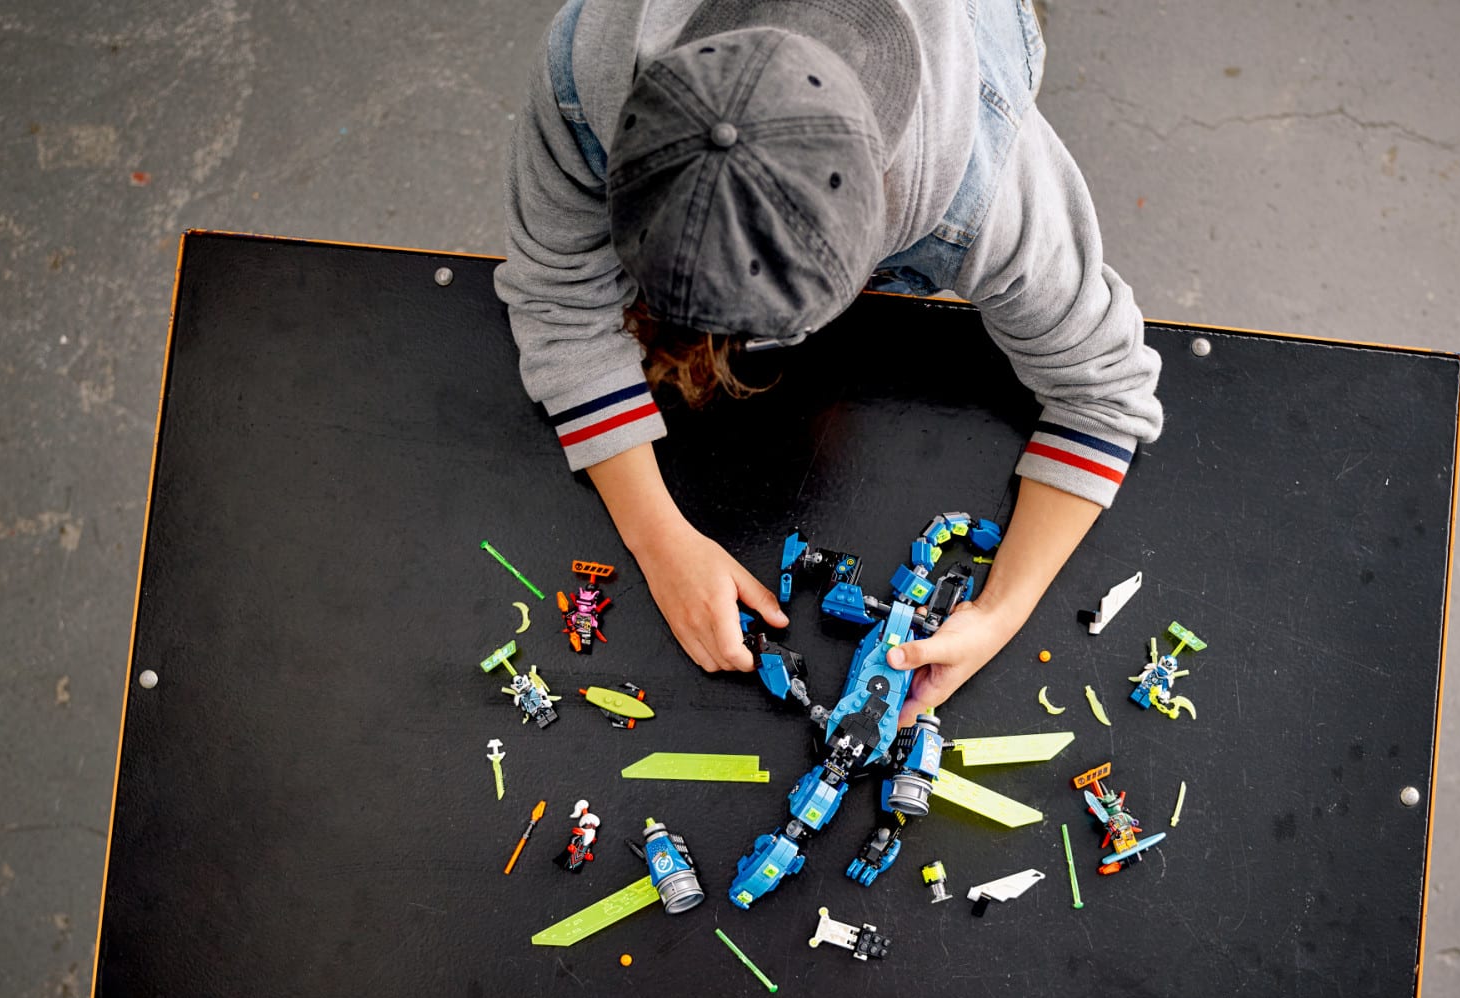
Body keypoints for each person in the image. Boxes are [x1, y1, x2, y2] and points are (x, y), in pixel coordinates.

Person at [496, 0, 1162, 725]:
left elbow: (1105, 390)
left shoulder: (988, 194)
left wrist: (1001, 610)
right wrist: (658, 538)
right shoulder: (586, 64)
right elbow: (558, 294)